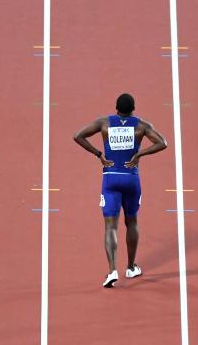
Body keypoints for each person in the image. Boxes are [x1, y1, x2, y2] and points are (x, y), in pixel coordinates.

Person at [74, 93, 168, 288]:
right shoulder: (141, 125)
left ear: (116, 108)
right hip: (131, 178)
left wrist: (98, 154)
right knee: (131, 222)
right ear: (133, 109)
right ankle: (131, 267)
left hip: (110, 179)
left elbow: (78, 136)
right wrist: (140, 153)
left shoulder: (104, 123)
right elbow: (162, 143)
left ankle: (112, 271)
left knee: (110, 227)